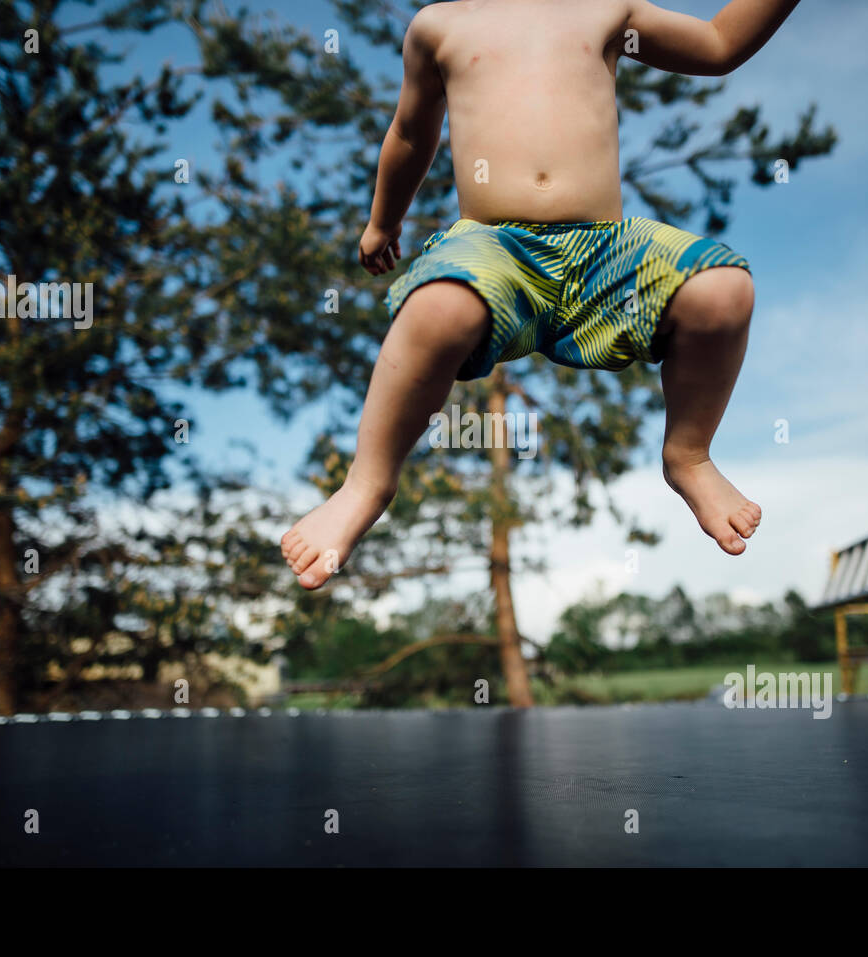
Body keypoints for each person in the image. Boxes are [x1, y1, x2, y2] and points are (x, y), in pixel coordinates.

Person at [282, 0, 801, 588]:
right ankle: (366, 484)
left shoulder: (607, 11)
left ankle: (689, 455)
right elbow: (409, 131)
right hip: (496, 250)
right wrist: (383, 221)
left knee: (721, 288)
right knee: (439, 304)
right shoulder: (439, 26)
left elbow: (717, 44)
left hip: (606, 250)